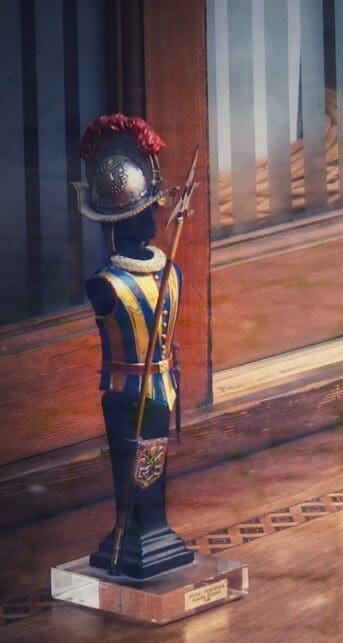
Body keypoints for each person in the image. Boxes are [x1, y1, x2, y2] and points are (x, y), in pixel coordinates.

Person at [73, 114, 195, 579]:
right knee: (141, 472)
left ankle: (142, 537)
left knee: (143, 471)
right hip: (147, 391)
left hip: (139, 390)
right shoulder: (141, 277)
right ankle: (135, 535)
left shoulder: (126, 279)